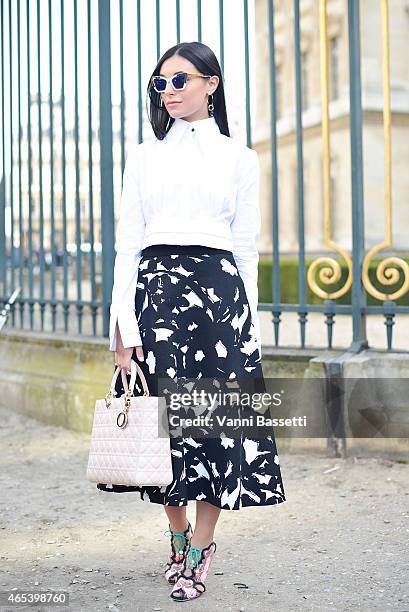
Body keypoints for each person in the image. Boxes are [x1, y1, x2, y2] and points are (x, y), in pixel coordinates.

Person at [97, 40, 286, 602]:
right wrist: (121, 326)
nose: (168, 91)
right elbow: (127, 245)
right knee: (165, 426)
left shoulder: (240, 159)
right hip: (156, 299)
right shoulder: (143, 156)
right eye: (160, 83)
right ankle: (176, 538)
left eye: (180, 80)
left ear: (212, 83)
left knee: (215, 428)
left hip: (219, 301)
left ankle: (201, 552)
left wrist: (248, 322)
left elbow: (246, 249)